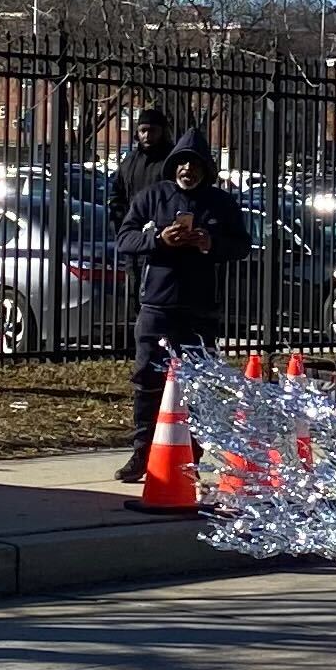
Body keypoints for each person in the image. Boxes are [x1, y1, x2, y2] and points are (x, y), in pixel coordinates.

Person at [112, 125, 250, 488]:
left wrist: (208, 242)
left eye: (195, 165)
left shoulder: (221, 203)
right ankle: (143, 452)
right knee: (148, 379)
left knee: (198, 382)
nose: (187, 171)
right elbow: (124, 238)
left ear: (205, 168)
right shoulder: (152, 197)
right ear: (173, 166)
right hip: (157, 304)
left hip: (200, 307)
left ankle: (191, 453)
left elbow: (242, 245)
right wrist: (157, 239)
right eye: (181, 164)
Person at [109, 103, 183, 219]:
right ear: (137, 132)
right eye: (143, 130)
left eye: (152, 130)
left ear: (162, 132)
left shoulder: (174, 159)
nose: (147, 135)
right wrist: (120, 221)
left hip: (164, 226)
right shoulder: (130, 161)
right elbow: (117, 194)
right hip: (133, 226)